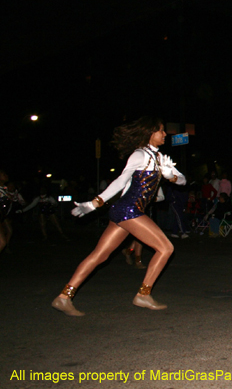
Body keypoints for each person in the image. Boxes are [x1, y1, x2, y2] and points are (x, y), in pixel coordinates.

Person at [51, 116, 185, 316]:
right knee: (166, 248)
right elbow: (121, 181)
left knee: (100, 255)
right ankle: (143, 294)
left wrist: (170, 175)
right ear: (150, 133)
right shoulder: (140, 154)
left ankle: (64, 297)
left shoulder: (158, 158)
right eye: (161, 130)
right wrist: (96, 202)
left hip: (126, 211)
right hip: (128, 210)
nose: (165, 134)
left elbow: (182, 181)